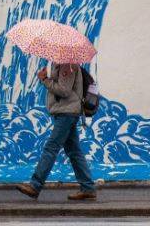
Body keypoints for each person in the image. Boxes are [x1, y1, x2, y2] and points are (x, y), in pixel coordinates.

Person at [17, 64, 97, 200]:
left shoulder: (67, 65)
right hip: (66, 112)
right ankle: (88, 188)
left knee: (51, 147)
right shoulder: (61, 64)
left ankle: (35, 185)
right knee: (74, 151)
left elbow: (64, 90)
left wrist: (45, 80)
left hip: (67, 113)